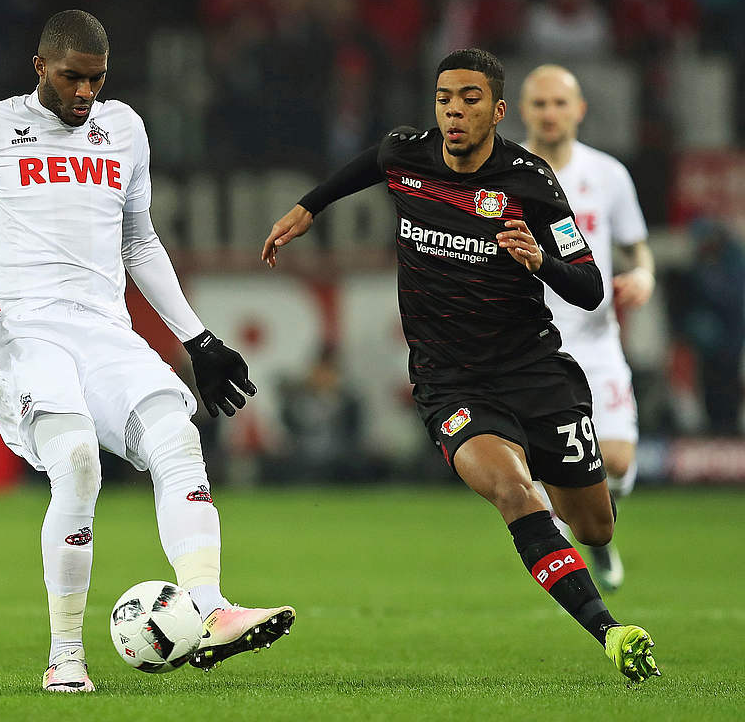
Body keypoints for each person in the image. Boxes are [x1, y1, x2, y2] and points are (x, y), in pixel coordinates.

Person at [0, 9, 294, 693]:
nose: (84, 94)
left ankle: (210, 606)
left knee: (176, 434)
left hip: (103, 330)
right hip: (21, 331)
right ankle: (65, 656)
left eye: (96, 81)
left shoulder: (125, 129)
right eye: (72, 78)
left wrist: (197, 337)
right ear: (39, 68)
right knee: (76, 461)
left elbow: (140, 242)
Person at [261, 48, 659, 682]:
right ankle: (609, 630)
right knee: (512, 491)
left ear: (498, 111)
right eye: (445, 98)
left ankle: (578, 530)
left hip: (533, 370)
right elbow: (365, 166)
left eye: (470, 99)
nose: (454, 111)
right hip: (450, 382)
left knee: (594, 523)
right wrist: (308, 208)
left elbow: (587, 285)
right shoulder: (407, 154)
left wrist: (540, 265)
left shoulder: (530, 182)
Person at [519, 65, 656, 592]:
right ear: (521, 111)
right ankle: (581, 544)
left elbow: (635, 245)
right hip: (533, 343)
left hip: (597, 341)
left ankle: (600, 536)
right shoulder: (505, 174)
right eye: (539, 104)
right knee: (547, 481)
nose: (549, 113)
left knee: (617, 463)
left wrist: (641, 273)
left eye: (559, 103)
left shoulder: (607, 174)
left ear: (579, 109)